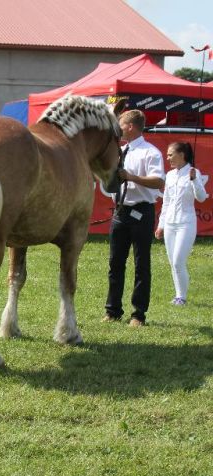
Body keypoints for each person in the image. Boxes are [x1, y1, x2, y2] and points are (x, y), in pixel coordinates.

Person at [103, 109, 165, 327]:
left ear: (130, 126)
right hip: (121, 211)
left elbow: (158, 182)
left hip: (142, 212)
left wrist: (131, 177)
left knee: (141, 264)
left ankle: (138, 314)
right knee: (115, 263)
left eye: (120, 125)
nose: (118, 129)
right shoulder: (119, 150)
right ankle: (112, 310)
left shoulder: (151, 152)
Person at [155, 141, 208, 305]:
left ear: (182, 155)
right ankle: (178, 295)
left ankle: (182, 297)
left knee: (178, 260)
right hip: (170, 223)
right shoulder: (170, 175)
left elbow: (201, 197)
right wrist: (161, 224)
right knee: (173, 262)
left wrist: (194, 180)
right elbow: (166, 202)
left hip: (186, 223)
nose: (167, 157)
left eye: (171, 154)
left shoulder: (194, 172)